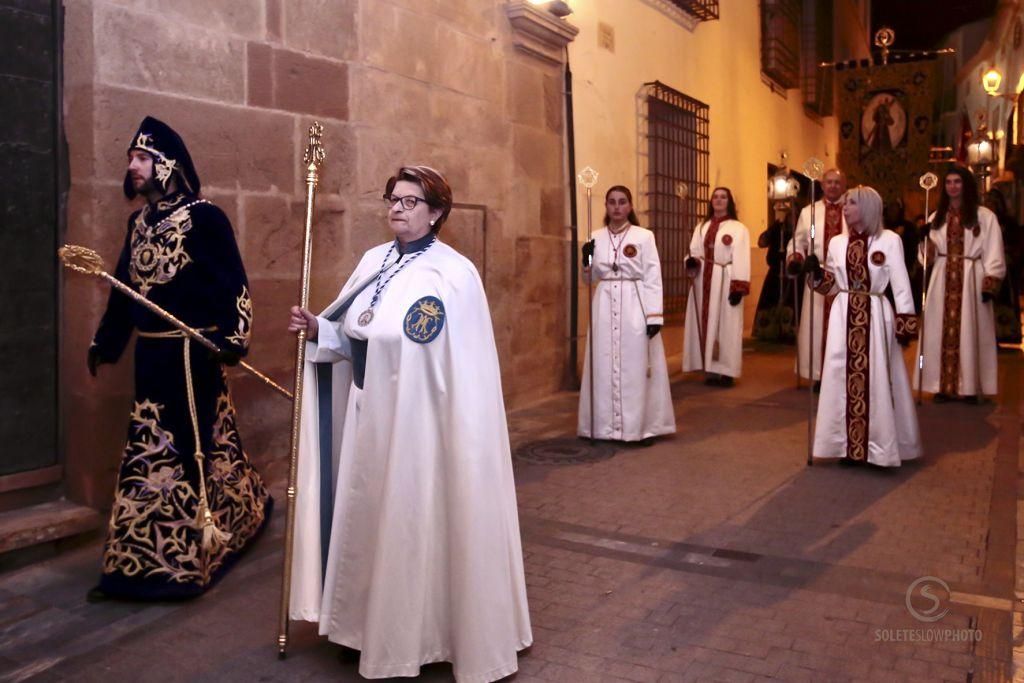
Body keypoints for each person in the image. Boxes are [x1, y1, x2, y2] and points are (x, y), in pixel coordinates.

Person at [286, 166, 532, 681]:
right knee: (368, 522)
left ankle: (417, 639)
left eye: (410, 201)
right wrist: (321, 329)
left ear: (436, 212)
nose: (397, 208)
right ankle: (359, 631)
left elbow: (453, 367)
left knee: (411, 526)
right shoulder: (374, 261)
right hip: (368, 421)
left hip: (422, 432)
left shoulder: (454, 274)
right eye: (392, 199)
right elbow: (360, 334)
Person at [87, 117, 271, 600]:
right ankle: (134, 564)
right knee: (148, 450)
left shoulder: (204, 217)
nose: (133, 166)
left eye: (142, 158)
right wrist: (106, 343)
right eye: (131, 158)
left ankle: (188, 561)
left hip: (193, 355)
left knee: (194, 452)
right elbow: (125, 292)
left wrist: (234, 337)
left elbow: (232, 283)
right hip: (151, 355)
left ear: (166, 165)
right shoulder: (139, 223)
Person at [804, 185, 921, 467]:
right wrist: (816, 274)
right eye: (845, 203)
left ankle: (877, 448)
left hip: (875, 313)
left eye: (852, 203)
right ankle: (845, 446)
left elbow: (901, 283)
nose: (845, 208)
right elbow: (832, 287)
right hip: (843, 314)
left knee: (878, 378)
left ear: (868, 207)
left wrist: (905, 321)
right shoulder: (836, 243)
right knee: (839, 375)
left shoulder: (889, 240)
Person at [577, 185, 675, 443]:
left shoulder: (644, 236)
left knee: (635, 366)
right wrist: (585, 260)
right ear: (606, 206)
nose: (617, 207)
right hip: (605, 304)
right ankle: (601, 426)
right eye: (612, 202)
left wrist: (654, 316)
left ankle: (640, 428)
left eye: (622, 202)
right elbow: (589, 279)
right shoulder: (595, 236)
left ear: (630, 206)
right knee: (603, 364)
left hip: (636, 303)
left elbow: (653, 276)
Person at [915, 166, 1005, 403]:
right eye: (949, 182)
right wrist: (924, 240)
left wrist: (990, 283)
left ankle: (970, 386)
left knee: (971, 333)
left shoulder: (984, 217)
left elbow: (994, 251)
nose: (953, 186)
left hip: (971, 279)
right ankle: (940, 385)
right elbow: (927, 258)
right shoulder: (936, 217)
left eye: (957, 182)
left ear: (966, 185)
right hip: (942, 278)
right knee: (937, 332)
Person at [785, 169, 848, 387]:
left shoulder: (851, 208)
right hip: (816, 271)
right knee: (815, 324)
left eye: (837, 182)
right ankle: (818, 373)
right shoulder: (809, 212)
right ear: (822, 185)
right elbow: (799, 241)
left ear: (843, 185)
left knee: (841, 324)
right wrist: (796, 258)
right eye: (829, 182)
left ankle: (841, 373)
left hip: (843, 277)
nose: (832, 186)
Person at [683, 187, 751, 386]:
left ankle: (726, 371)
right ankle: (710, 369)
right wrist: (691, 261)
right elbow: (694, 250)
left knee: (726, 326)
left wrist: (739, 286)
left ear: (729, 201)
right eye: (715, 197)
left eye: (723, 197)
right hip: (703, 280)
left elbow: (742, 257)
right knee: (706, 324)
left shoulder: (739, 228)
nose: (719, 200)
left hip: (726, 279)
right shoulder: (701, 227)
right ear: (711, 201)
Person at [983, 188, 1021, 343]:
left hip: (1006, 272)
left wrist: (1006, 254)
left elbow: (1017, 245)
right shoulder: (982, 221)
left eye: (993, 203)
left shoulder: (1008, 223)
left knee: (1004, 302)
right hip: (985, 267)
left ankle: (1006, 334)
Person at [752, 211, 797, 342]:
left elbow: (812, 236)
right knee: (770, 299)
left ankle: (789, 332)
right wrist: (774, 226)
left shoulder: (806, 226)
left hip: (793, 271)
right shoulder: (777, 228)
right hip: (776, 270)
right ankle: (768, 331)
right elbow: (761, 242)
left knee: (792, 301)